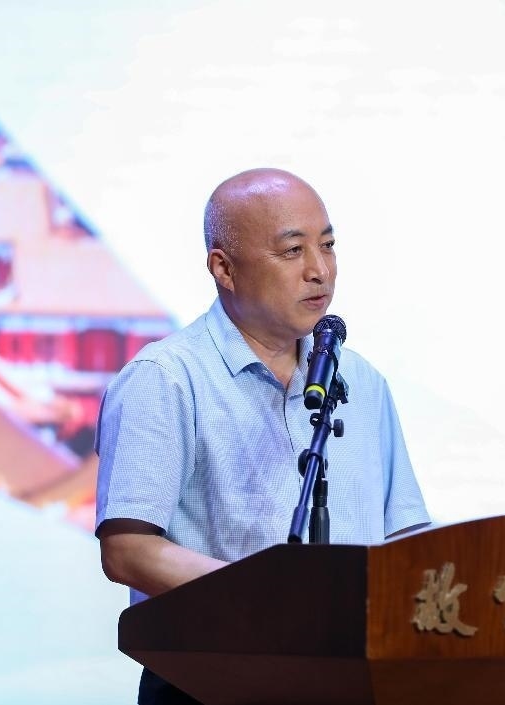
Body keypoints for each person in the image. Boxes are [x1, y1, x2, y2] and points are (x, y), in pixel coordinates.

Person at [94, 168, 430, 704]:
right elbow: (128, 550)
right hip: (210, 683)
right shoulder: (166, 378)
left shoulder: (361, 381)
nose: (320, 271)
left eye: (328, 245)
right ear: (223, 268)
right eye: (293, 251)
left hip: (352, 680)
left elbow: (404, 535)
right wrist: (266, 601)